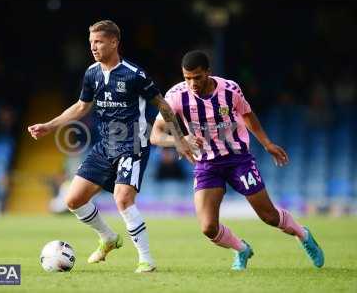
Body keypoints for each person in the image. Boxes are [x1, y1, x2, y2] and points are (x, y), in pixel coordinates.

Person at [28, 20, 194, 273]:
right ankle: (108, 238)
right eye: (91, 42)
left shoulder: (134, 74)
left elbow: (163, 105)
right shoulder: (92, 73)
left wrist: (180, 140)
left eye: (99, 42)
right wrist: (50, 126)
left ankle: (146, 259)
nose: (93, 47)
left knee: (123, 199)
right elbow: (82, 107)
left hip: (133, 145)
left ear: (114, 42)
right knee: (73, 199)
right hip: (104, 146)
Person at [150, 50, 324, 270]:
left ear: (208, 73)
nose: (192, 83)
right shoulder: (175, 96)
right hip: (207, 164)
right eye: (187, 78)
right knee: (208, 228)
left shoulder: (229, 90)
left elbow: (248, 114)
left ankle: (303, 234)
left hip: (238, 159)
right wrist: (179, 139)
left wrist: (267, 143)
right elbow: (155, 135)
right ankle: (242, 249)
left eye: (197, 77)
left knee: (269, 216)